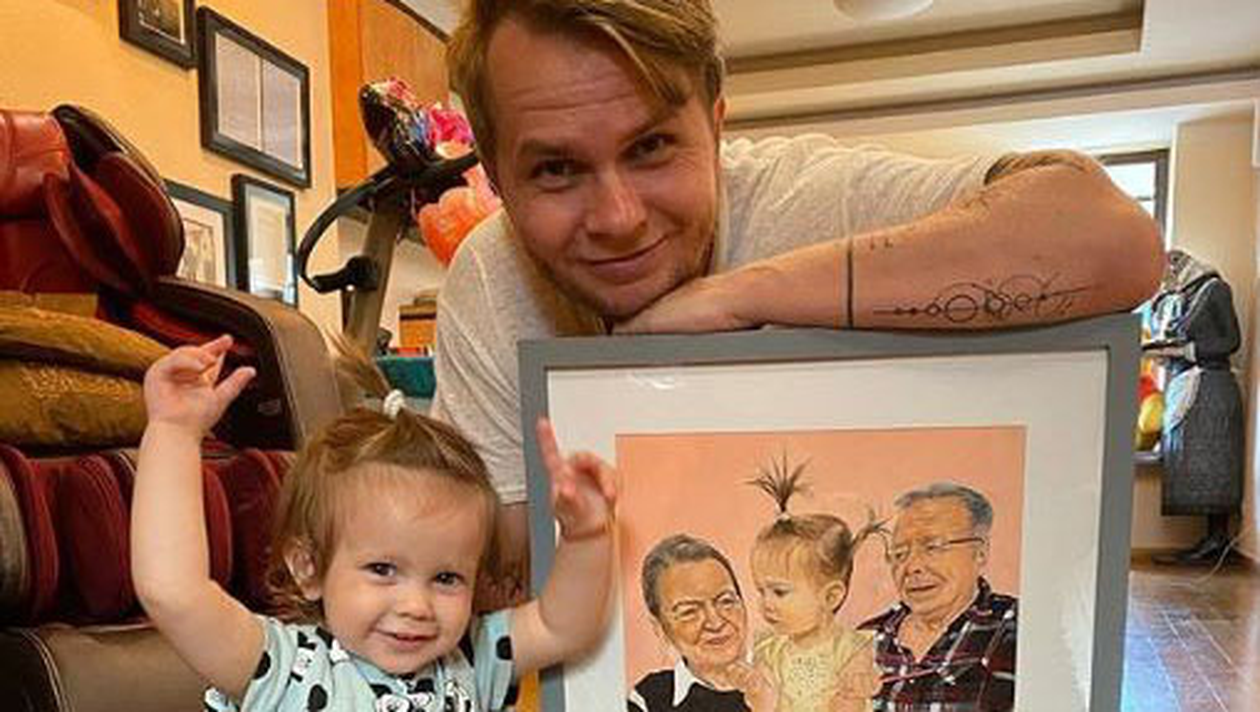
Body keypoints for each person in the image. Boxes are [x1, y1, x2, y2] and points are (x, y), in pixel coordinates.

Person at [434, 0, 1166, 603]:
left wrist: (741, 297)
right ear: (495, 177)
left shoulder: (813, 199)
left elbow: (1117, 242)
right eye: (556, 169)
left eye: (651, 147)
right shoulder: (491, 280)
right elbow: (505, 580)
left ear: (716, 127)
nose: (619, 216)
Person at [131, 334, 618, 712]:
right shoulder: (283, 668)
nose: (416, 606)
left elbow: (561, 625)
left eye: (446, 578)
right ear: (308, 566)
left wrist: (585, 535)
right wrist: (173, 431)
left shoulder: (473, 657)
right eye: (383, 569)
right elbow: (174, 593)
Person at [858, 483, 1017, 711]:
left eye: (932, 547)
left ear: (980, 552)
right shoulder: (868, 637)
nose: (912, 567)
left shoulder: (1016, 629)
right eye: (899, 554)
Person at [747, 458, 881, 712]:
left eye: (779, 592)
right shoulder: (770, 649)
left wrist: (858, 690)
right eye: (760, 591)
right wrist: (753, 687)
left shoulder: (849, 649)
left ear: (830, 597)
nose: (766, 603)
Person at [1144, 249, 1244, 565]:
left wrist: (1185, 351)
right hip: (1185, 384)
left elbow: (1230, 340)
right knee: (1189, 461)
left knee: (1211, 464)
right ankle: (1209, 539)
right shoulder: (1174, 297)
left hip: (1209, 386)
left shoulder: (1214, 290)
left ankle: (1217, 537)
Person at [629, 534, 773, 712]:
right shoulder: (648, 700)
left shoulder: (781, 674)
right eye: (690, 612)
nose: (716, 623)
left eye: (726, 601)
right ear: (660, 628)